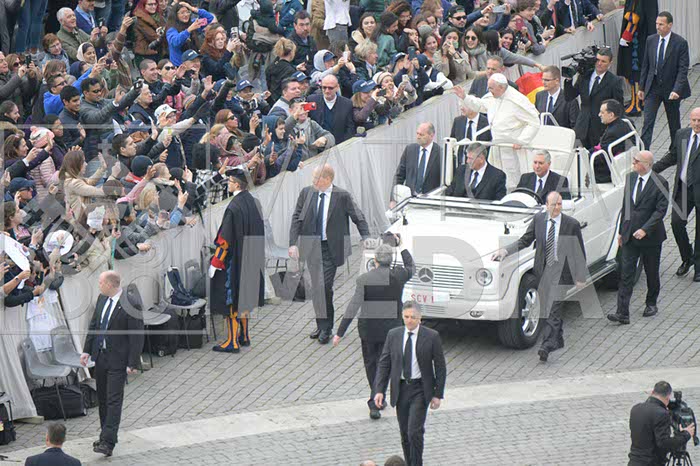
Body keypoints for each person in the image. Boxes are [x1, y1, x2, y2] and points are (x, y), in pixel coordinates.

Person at [493, 192, 586, 362]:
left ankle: (546, 346)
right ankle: (557, 339)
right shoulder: (538, 220)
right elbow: (525, 240)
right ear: (546, 205)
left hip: (561, 273)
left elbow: (579, 250)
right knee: (548, 309)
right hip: (542, 272)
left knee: (553, 309)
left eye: (559, 204)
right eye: (553, 204)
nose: (557, 208)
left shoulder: (571, 224)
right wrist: (506, 251)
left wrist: (580, 276)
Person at [334, 236, 415, 420]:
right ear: (390, 260)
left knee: (371, 364)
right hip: (391, 330)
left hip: (368, 330)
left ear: (376, 261)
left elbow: (353, 306)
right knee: (384, 364)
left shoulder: (364, 279)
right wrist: (401, 246)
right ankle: (379, 396)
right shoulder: (399, 276)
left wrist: (340, 332)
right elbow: (411, 267)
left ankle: (374, 400)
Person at [289, 164, 371, 344]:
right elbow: (296, 218)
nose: (313, 181)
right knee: (316, 288)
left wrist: (366, 236)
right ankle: (321, 325)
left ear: (327, 179)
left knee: (324, 286)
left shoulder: (342, 196)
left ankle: (327, 328)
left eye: (316, 178)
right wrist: (293, 243)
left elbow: (358, 216)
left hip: (331, 248)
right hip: (311, 247)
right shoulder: (306, 193)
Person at [374, 301, 446, 466]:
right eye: (406, 317)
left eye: (413, 317)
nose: (409, 320)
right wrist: (379, 390)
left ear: (420, 318)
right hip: (401, 389)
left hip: (420, 389)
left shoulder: (432, 336)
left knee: (414, 432)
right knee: (405, 433)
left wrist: (437, 394)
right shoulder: (393, 335)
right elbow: (384, 363)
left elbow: (440, 367)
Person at [80, 271, 144, 457]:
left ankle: (108, 442)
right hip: (101, 357)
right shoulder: (102, 299)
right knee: (103, 399)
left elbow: (136, 335)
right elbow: (94, 326)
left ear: (110, 284)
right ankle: (104, 436)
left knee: (113, 400)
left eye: (101, 282)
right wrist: (87, 350)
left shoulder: (130, 303)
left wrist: (132, 362)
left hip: (118, 359)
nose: (98, 285)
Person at [608, 151, 669, 325]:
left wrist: (645, 229)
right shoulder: (631, 178)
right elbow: (626, 206)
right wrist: (621, 231)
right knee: (626, 274)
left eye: (636, 161)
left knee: (651, 271)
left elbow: (660, 211)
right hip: (630, 235)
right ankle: (622, 312)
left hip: (650, 238)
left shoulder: (661, 182)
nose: (633, 163)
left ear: (647, 164)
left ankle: (651, 303)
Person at [209, 169, 265, 352]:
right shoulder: (254, 202)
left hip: (236, 262)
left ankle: (232, 342)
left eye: (230, 181)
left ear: (237, 184)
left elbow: (224, 241)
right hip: (252, 259)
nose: (228, 184)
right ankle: (245, 335)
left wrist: (215, 263)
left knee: (232, 300)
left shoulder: (233, 207)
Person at [457, 73, 540, 186]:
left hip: (513, 148)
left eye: (491, 88)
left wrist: (522, 140)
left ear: (501, 87)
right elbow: (480, 106)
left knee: (513, 177)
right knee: (495, 175)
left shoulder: (517, 100)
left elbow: (534, 122)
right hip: (497, 146)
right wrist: (465, 97)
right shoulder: (493, 97)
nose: (489, 90)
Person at [652, 108, 700, 281]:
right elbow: (672, 156)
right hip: (684, 189)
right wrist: (652, 170)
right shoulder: (682, 135)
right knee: (676, 224)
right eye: (694, 120)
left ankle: (699, 267)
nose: (696, 124)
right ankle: (687, 258)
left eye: (699, 121)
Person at [638, 11, 690, 152]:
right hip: (653, 87)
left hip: (671, 89)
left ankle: (676, 152)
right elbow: (646, 65)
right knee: (647, 122)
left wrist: (677, 90)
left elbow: (683, 69)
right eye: (657, 24)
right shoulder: (651, 40)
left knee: (674, 123)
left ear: (669, 25)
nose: (658, 27)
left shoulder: (680, 43)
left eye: (661, 24)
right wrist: (641, 87)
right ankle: (644, 152)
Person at [563, 47, 624, 149]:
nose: (599, 63)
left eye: (603, 61)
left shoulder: (615, 81)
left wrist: (614, 128)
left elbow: (619, 107)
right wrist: (569, 79)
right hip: (582, 127)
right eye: (597, 60)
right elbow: (569, 97)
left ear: (610, 63)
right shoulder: (584, 76)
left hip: (601, 129)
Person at [628, 381, 696, 466]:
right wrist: (686, 434)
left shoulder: (635, 409)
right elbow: (664, 444)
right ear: (668, 397)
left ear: (652, 392)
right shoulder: (662, 414)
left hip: (634, 462)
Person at [616, 0, 658, 117]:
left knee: (634, 70)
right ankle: (642, 100)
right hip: (647, 34)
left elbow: (634, 16)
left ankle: (635, 104)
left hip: (636, 38)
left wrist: (626, 36)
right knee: (643, 68)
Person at [392, 122, 442, 202]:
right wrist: (393, 199)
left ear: (431, 136)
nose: (418, 137)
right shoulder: (410, 150)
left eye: (421, 135)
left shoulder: (441, 153)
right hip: (409, 200)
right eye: (417, 133)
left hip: (431, 201)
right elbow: (399, 176)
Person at [306, 75, 355, 145]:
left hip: (339, 145)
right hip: (317, 145)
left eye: (330, 88)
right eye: (324, 87)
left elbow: (350, 127)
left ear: (337, 87)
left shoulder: (347, 103)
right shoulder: (312, 100)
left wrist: (344, 144)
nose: (327, 91)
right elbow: (306, 122)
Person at [595, 99, 633, 183]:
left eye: (602, 112)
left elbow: (602, 158)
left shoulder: (612, 133)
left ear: (611, 115)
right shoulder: (625, 123)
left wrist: (586, 156)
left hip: (608, 171)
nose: (599, 115)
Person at [449, 96, 491, 166]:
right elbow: (453, 141)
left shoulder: (487, 123)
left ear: (474, 106)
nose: (461, 108)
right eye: (460, 105)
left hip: (480, 165)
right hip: (460, 165)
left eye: (464, 106)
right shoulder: (458, 121)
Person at [535, 66, 579, 132]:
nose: (543, 82)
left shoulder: (570, 99)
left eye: (547, 80)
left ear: (557, 81)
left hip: (561, 136)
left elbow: (575, 126)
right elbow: (536, 118)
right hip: (542, 135)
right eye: (543, 79)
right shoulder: (539, 96)